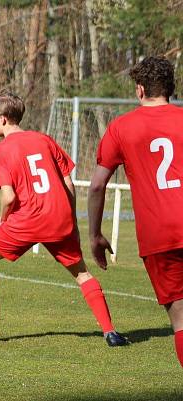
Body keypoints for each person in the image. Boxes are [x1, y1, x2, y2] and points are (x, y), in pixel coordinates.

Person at [0, 91, 126, 346]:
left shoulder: (0, 151)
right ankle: (110, 333)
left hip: (27, 219)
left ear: (4, 119)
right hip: (59, 218)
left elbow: (8, 197)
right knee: (82, 273)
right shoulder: (44, 140)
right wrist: (70, 219)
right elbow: (68, 183)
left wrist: (3, 220)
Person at [89, 56, 183, 366]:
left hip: (159, 236)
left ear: (140, 90)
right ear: (171, 88)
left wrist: (94, 235)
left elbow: (97, 186)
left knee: (181, 320)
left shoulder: (121, 127)